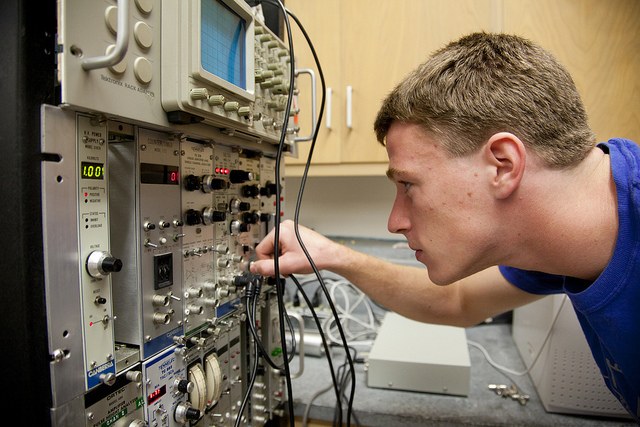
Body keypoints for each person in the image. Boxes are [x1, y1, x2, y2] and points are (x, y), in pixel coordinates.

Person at [250, 32, 639, 421]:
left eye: (408, 185)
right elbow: (458, 301)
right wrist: (334, 255)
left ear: (503, 165)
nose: (394, 222)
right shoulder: (554, 237)